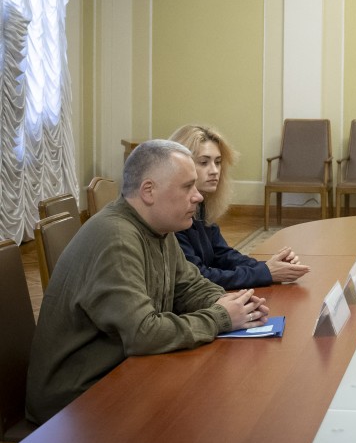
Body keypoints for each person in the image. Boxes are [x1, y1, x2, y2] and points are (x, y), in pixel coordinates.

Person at [25, 140, 271, 425]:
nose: (198, 197)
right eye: (187, 187)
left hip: (118, 376)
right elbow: (143, 334)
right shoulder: (116, 238)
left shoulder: (159, 227)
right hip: (75, 405)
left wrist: (230, 303)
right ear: (149, 191)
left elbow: (189, 285)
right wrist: (220, 318)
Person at [170, 124, 309, 289]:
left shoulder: (201, 204)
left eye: (218, 162)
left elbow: (222, 254)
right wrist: (265, 272)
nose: (214, 170)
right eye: (204, 162)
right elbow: (200, 277)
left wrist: (269, 266)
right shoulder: (171, 217)